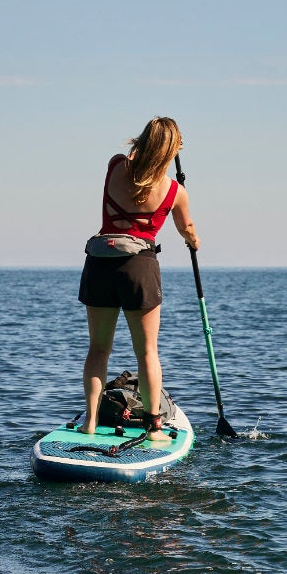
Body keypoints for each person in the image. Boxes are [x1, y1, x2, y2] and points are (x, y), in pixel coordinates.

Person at [77, 116, 200, 441]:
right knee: (146, 352)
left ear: (144, 140)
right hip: (139, 267)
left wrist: (157, 145)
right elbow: (187, 229)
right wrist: (193, 241)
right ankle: (153, 427)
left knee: (98, 349)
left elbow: (135, 163)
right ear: (172, 149)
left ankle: (89, 422)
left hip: (100, 262)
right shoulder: (175, 190)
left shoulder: (116, 165)